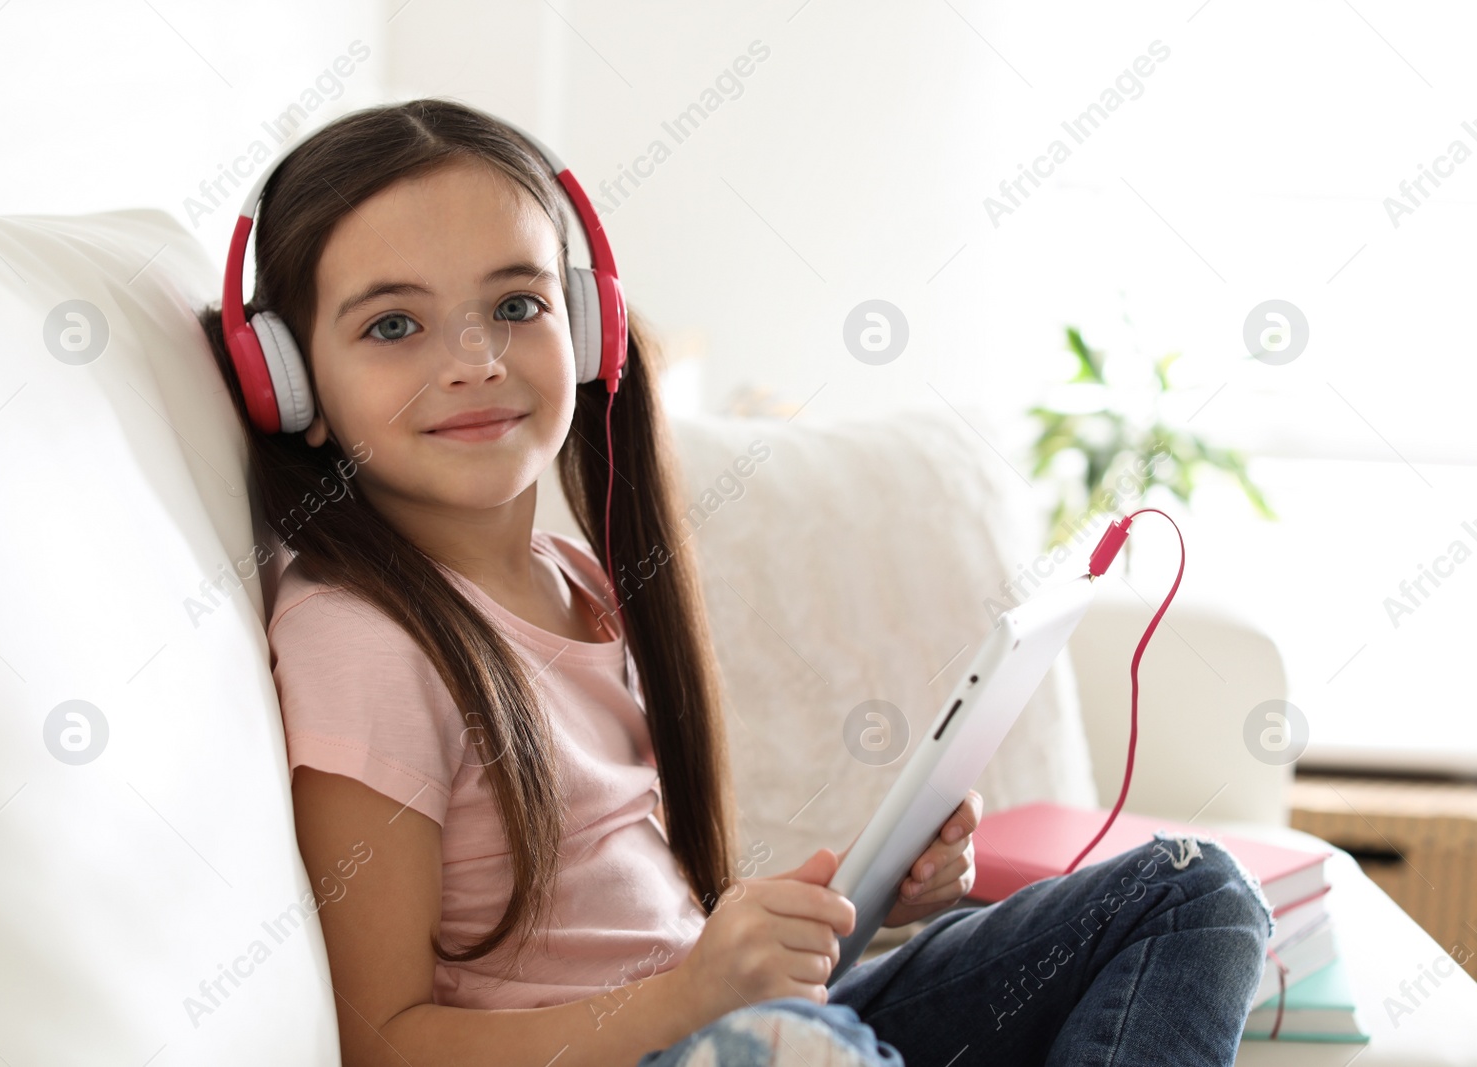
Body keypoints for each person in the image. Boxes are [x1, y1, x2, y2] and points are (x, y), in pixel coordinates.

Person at [198, 97, 1272, 1067]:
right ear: (291, 385)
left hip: (731, 1034)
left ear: (589, 327)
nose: (475, 357)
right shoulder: (362, 639)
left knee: (1191, 887)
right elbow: (377, 1044)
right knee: (790, 1041)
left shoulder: (575, 579)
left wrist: (857, 900)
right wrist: (694, 998)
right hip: (688, 1044)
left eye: (516, 305)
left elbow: (638, 934)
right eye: (394, 324)